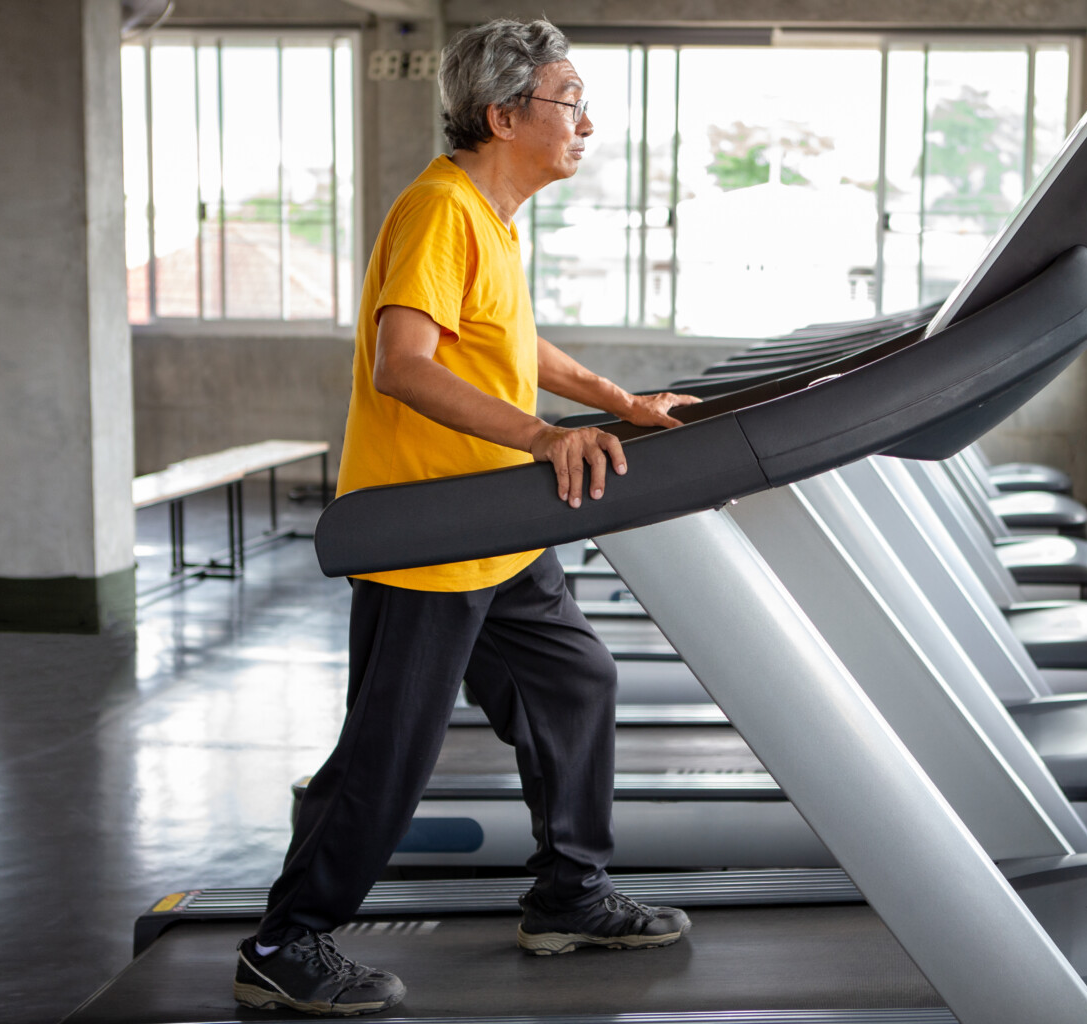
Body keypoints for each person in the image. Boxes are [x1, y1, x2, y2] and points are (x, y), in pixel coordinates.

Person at [232, 19, 699, 1017]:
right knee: (387, 755)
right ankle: (285, 940)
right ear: (502, 114)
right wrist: (543, 439)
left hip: (500, 528)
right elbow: (404, 364)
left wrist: (621, 405)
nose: (586, 121)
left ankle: (570, 894)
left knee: (576, 679)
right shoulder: (441, 208)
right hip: (434, 537)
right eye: (568, 100)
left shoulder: (492, 218)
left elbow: (511, 343)